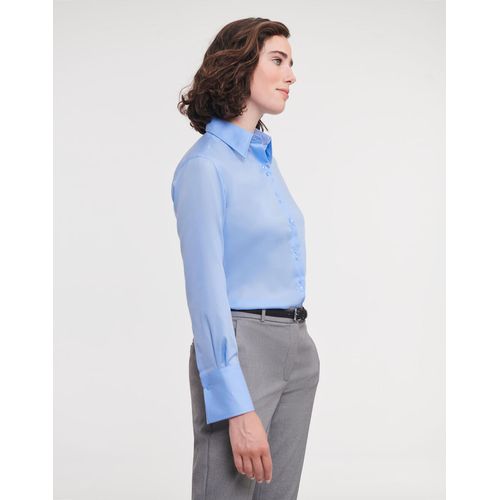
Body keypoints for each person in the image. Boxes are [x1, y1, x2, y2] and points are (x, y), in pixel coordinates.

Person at [171, 17, 320, 500]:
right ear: (240, 66)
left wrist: (301, 351)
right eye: (278, 60)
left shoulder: (263, 159)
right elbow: (206, 293)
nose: (291, 75)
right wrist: (235, 405)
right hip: (242, 349)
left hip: (296, 348)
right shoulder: (204, 166)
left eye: (291, 62)